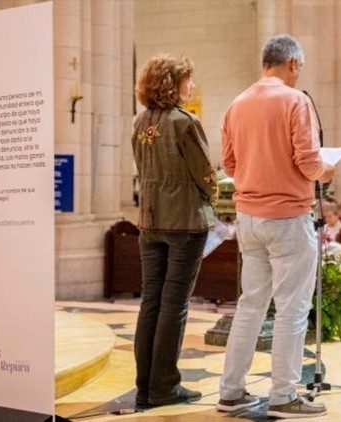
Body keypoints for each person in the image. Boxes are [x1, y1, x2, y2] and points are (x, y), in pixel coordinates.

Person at [219, 34, 333, 418]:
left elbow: (230, 165)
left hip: (248, 219)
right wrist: (327, 168)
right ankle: (283, 395)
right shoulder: (295, 100)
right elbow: (308, 161)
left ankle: (231, 391)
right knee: (292, 310)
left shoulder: (237, 104)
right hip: (286, 218)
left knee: (250, 306)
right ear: (293, 64)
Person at [132, 54, 218, 408]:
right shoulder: (184, 122)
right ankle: (165, 385)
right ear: (173, 83)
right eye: (187, 81)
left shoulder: (139, 122)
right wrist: (217, 192)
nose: (191, 86)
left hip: (150, 223)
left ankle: (145, 384)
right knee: (174, 305)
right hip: (184, 223)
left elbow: (142, 168)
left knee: (151, 301)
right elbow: (205, 174)